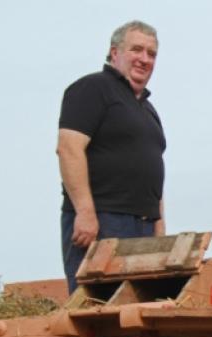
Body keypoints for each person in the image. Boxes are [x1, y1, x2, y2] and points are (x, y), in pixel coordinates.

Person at [57, 20, 166, 293]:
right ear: (114, 53)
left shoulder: (149, 111)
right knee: (98, 305)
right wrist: (85, 212)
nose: (144, 59)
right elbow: (69, 148)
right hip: (103, 222)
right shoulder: (93, 88)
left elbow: (152, 171)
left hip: (143, 226)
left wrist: (159, 228)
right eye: (136, 50)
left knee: (141, 306)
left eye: (151, 54)